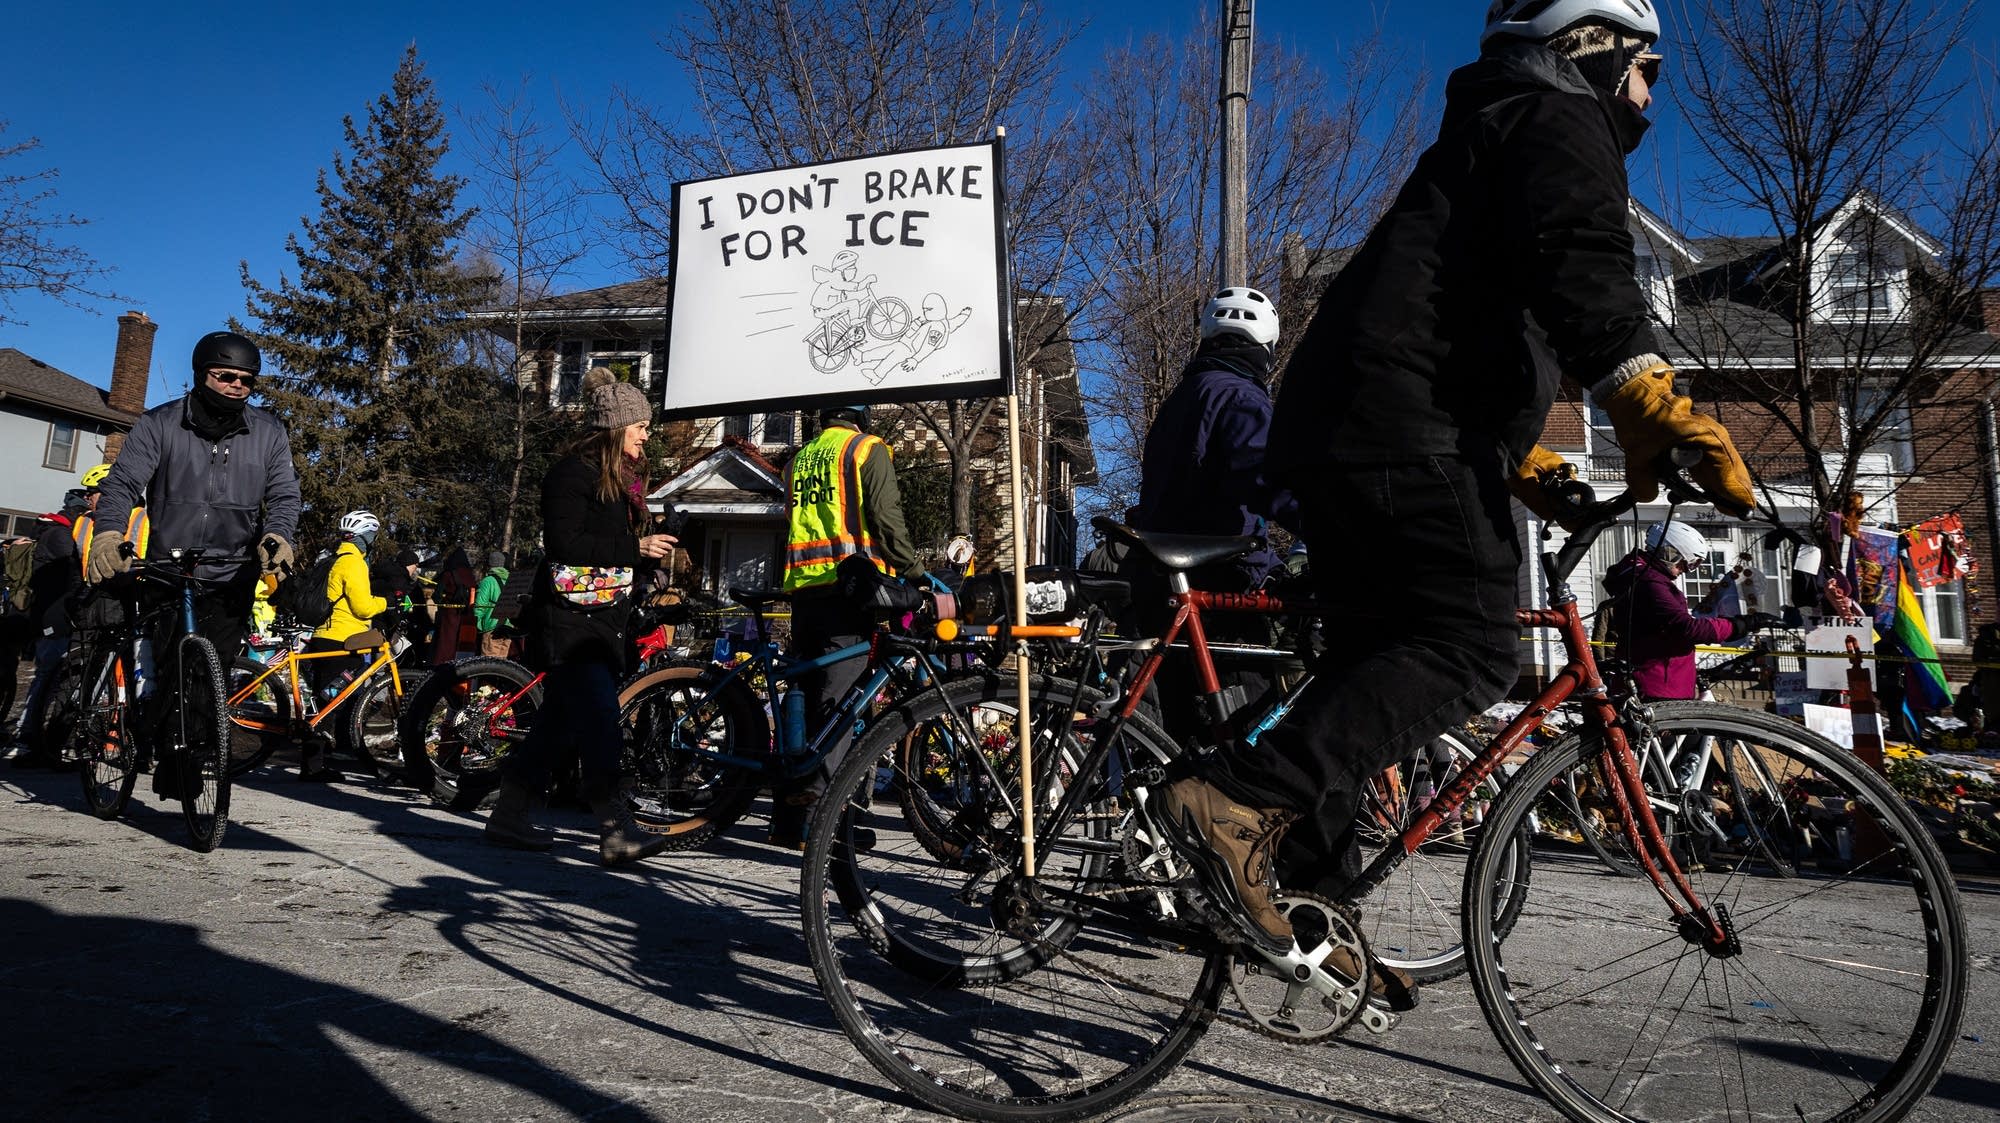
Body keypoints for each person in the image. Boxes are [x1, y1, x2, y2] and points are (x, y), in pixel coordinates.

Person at [1151, 0, 1756, 1009]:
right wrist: (1644, 393)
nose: (1651, 94)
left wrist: (1518, 460)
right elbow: (1578, 261)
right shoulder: (1554, 117)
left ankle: (1306, 895)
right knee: (1470, 647)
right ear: (1591, 48)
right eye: (1647, 66)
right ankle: (1234, 801)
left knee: (1365, 668)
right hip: (1390, 423)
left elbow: (1464, 323)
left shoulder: (1494, 128)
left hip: (1360, 420)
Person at [87, 329, 300, 797]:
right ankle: (163, 743)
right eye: (226, 376)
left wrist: (278, 535)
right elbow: (122, 484)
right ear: (202, 375)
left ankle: (191, 759)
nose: (237, 385)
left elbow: (284, 494)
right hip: (169, 569)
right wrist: (108, 533)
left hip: (232, 572)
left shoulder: (268, 432)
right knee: (171, 665)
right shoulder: (160, 424)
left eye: (247, 379)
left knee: (212, 671)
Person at [483, 367, 674, 865]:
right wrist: (636, 547)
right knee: (600, 719)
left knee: (559, 726)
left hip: (602, 618)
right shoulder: (572, 473)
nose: (647, 434)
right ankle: (614, 827)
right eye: (641, 426)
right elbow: (565, 543)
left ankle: (509, 813)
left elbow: (607, 546)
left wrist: (650, 557)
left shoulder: (618, 481)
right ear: (618, 427)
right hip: (568, 621)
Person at [1131, 286, 1299, 736]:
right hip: (1221, 579)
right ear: (1265, 348)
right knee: (1248, 729)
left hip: (1164, 577)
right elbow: (1270, 482)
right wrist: (1333, 528)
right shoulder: (1241, 399)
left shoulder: (1181, 399)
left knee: (1189, 725)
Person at [771, 402, 924, 849]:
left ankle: (786, 820)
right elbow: (885, 518)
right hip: (849, 588)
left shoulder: (799, 460)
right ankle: (823, 823)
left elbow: (791, 517)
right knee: (840, 705)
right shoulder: (865, 449)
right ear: (862, 417)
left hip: (803, 588)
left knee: (803, 700)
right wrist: (915, 571)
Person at [1604, 521, 1778, 702]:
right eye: (1689, 562)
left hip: (1652, 678)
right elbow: (1688, 628)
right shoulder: (1650, 582)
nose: (1686, 570)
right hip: (1657, 685)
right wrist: (1743, 624)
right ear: (1669, 552)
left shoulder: (1636, 574)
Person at [299, 509, 390, 780]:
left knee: (323, 701)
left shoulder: (335, 558)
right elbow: (362, 608)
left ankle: (314, 765)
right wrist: (387, 602)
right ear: (366, 537)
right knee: (330, 702)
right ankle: (316, 765)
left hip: (322, 638)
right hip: (343, 640)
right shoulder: (354, 563)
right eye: (373, 536)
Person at [7, 491, 89, 767]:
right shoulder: (61, 536)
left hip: (50, 615)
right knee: (47, 675)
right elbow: (75, 571)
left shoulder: (50, 531)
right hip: (54, 617)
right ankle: (28, 738)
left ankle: (29, 737)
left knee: (47, 675)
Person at [429, 546, 479, 665]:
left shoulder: (449, 574)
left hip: (449, 614)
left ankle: (441, 667)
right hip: (467, 614)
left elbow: (437, 595)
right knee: (463, 644)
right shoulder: (470, 575)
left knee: (446, 644)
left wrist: (442, 604)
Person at [474, 550, 511, 659]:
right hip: (507, 627)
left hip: (492, 627)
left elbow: (480, 605)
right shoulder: (510, 580)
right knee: (502, 665)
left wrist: (480, 625)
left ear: (490, 563)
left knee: (489, 664)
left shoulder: (488, 581)